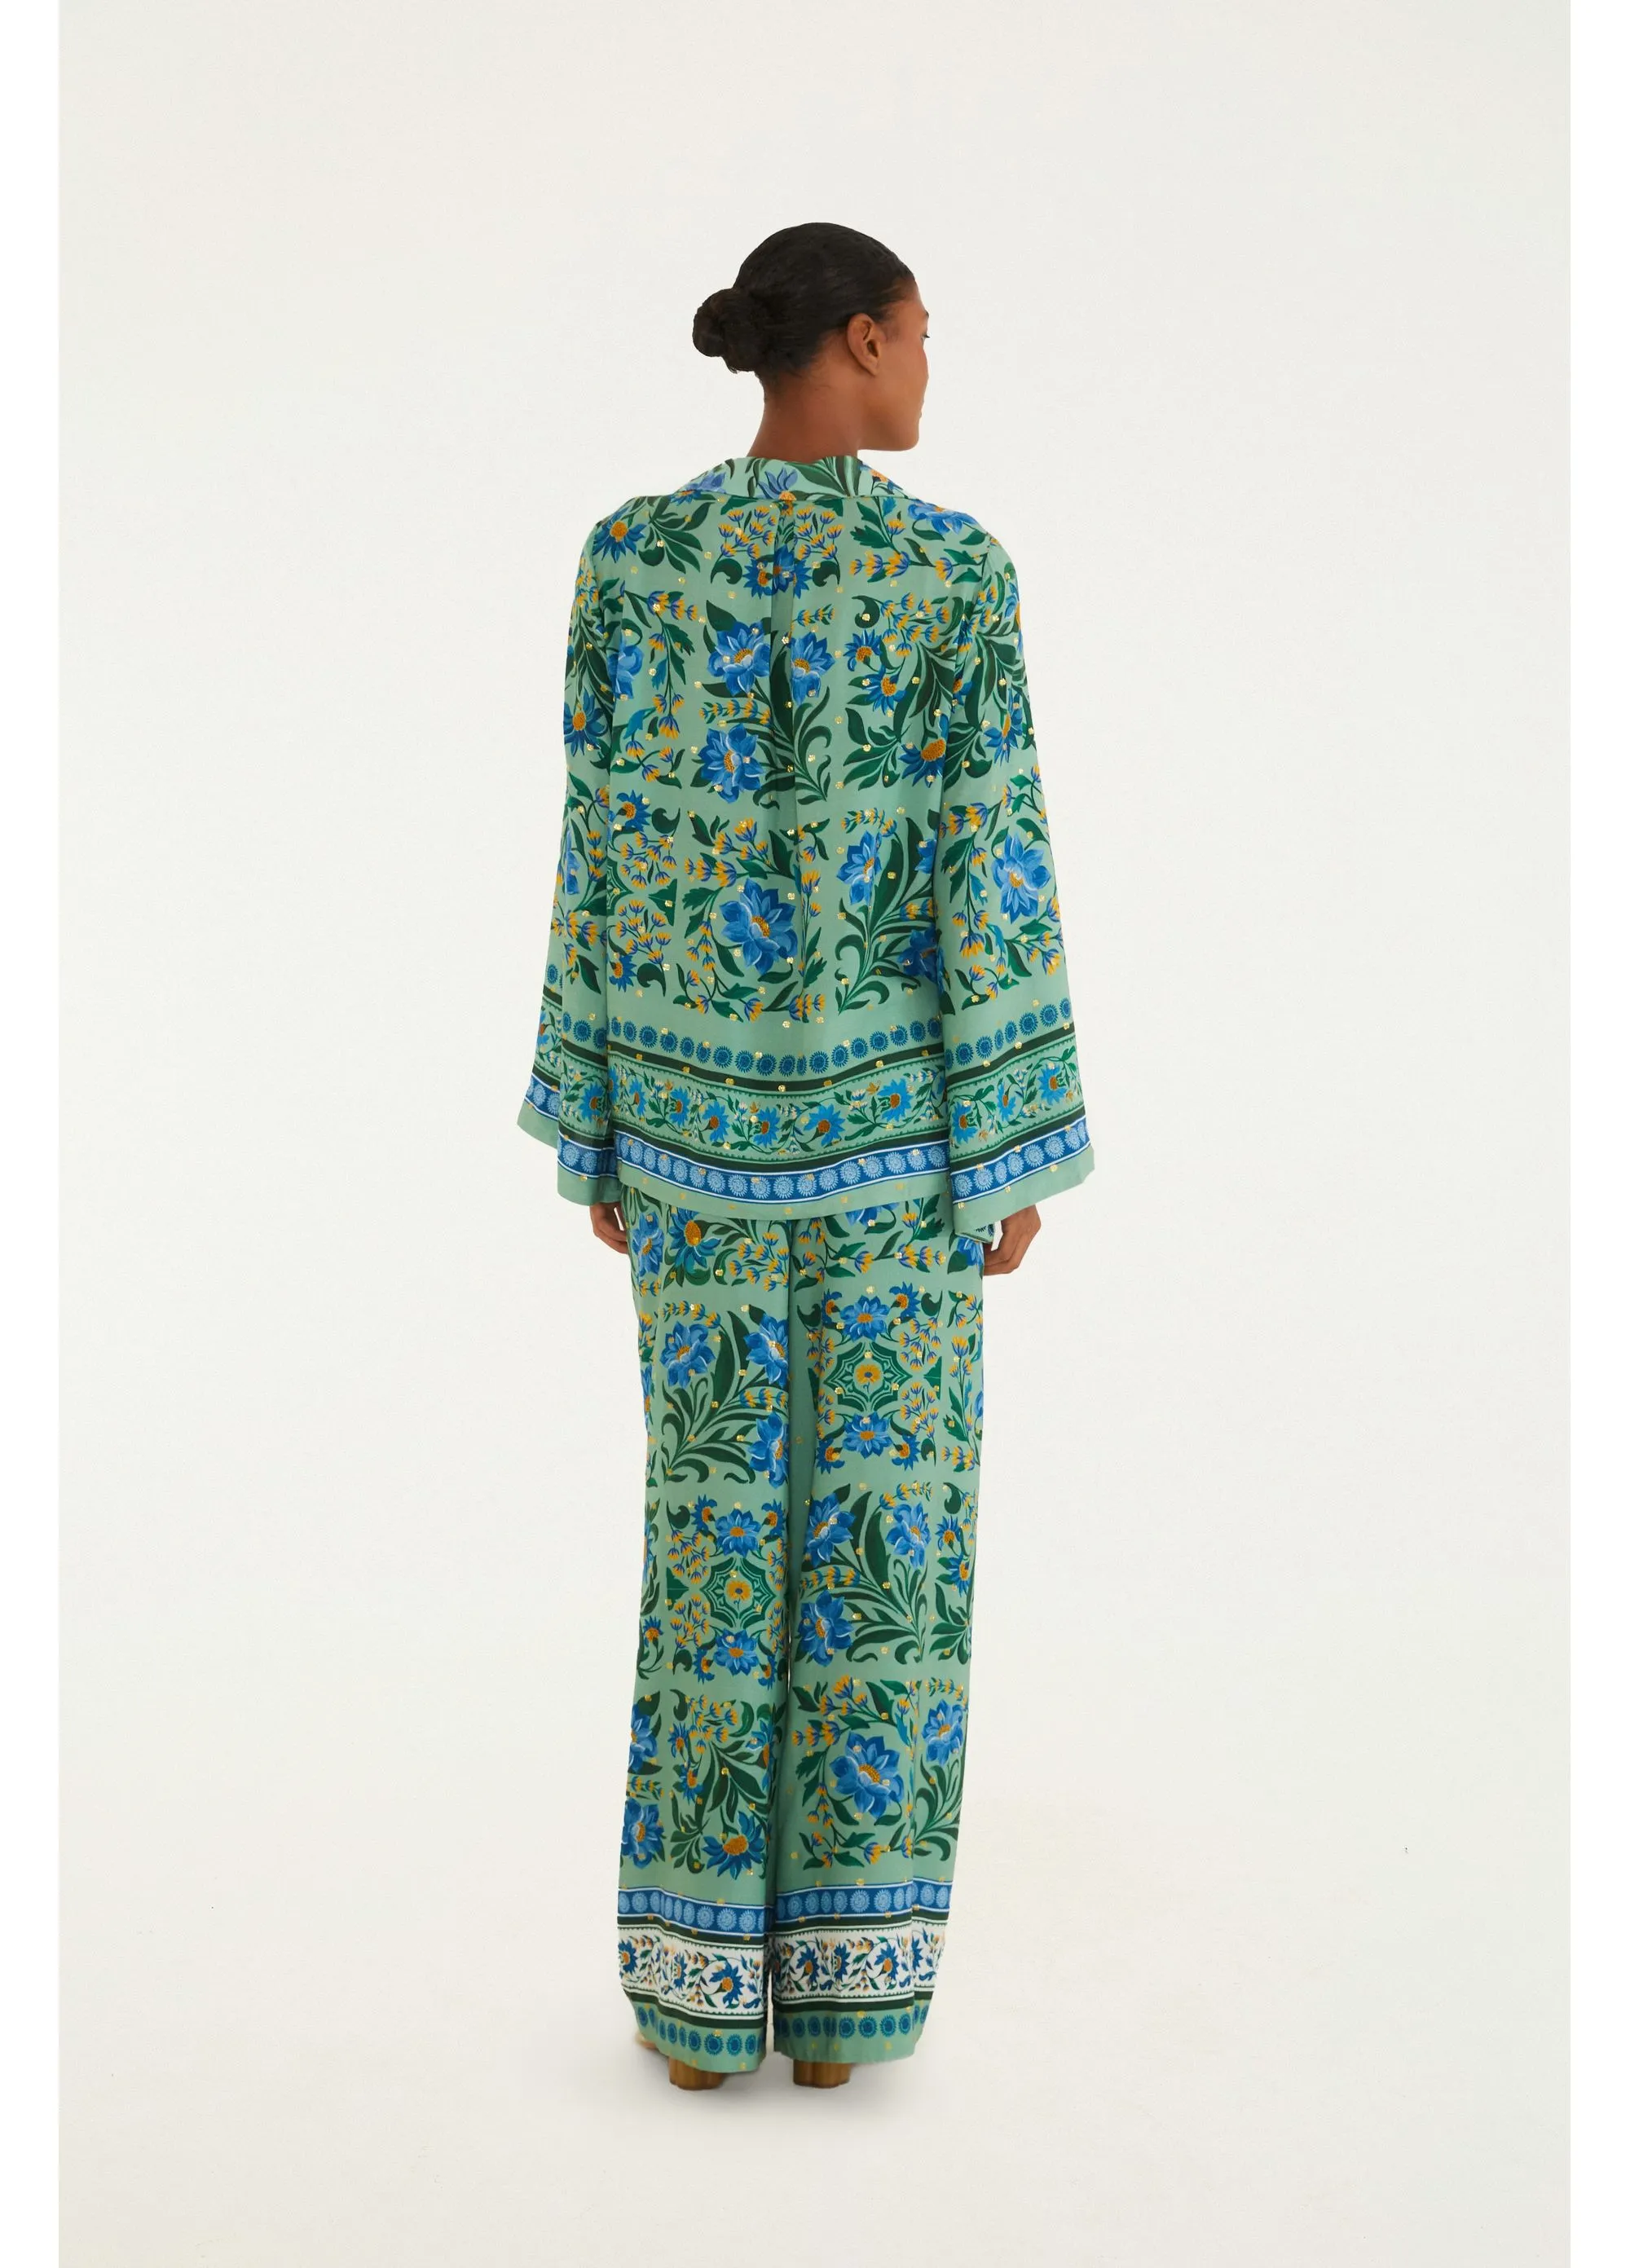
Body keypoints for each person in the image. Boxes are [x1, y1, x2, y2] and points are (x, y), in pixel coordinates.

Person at [518, 222, 1092, 2091]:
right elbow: (989, 853)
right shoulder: (950, 574)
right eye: (918, 333)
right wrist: (1011, 1141)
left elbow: (603, 842)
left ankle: (694, 2018)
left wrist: (600, 1118)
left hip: (691, 1147)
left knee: (711, 1563)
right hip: (899, 1152)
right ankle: (845, 2012)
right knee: (882, 1573)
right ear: (855, 338)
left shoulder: (630, 557)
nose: (925, 366)